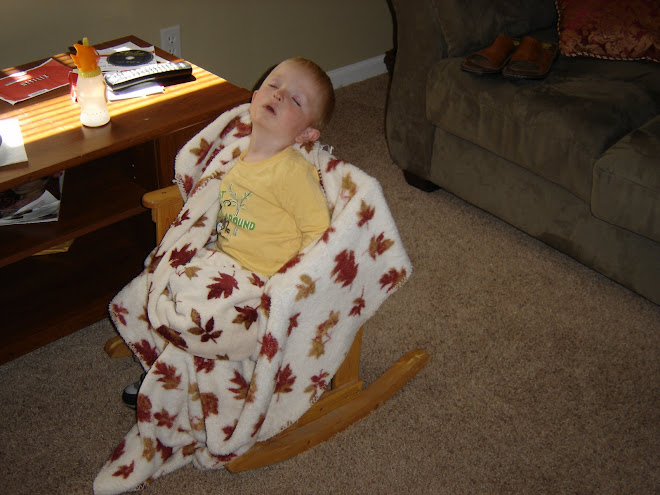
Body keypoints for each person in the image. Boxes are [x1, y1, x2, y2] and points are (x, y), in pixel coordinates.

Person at [122, 57, 335, 408]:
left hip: (261, 279)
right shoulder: (237, 150)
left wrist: (293, 288)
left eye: (296, 100)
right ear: (254, 96)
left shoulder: (291, 173)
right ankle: (172, 362)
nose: (280, 96)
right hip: (222, 257)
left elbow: (319, 233)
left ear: (306, 134)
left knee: (199, 317)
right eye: (274, 85)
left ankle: (178, 376)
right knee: (159, 279)